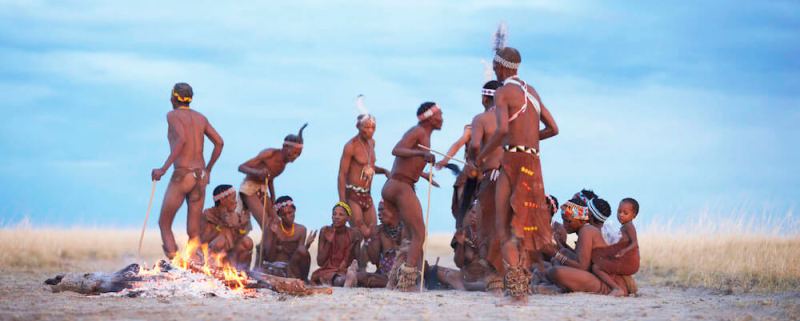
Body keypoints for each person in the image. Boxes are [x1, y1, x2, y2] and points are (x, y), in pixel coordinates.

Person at [475, 32, 558, 302]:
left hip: (512, 161)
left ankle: (517, 287)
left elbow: (500, 131)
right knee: (523, 225)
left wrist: (482, 155)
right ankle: (521, 281)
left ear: (500, 67)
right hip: (534, 162)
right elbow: (553, 129)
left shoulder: (502, 92)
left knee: (504, 225)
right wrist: (530, 140)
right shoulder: (531, 91)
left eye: (495, 67)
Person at [152, 82, 224, 259]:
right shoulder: (201, 118)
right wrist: (208, 169)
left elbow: (182, 140)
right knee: (194, 231)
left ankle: (175, 265)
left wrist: (163, 169)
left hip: (183, 174)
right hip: (200, 176)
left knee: (164, 223)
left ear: (173, 97)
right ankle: (195, 267)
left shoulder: (173, 115)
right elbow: (219, 142)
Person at [380, 102, 443, 291]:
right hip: (400, 187)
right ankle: (407, 281)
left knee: (408, 236)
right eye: (439, 114)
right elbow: (396, 150)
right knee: (419, 234)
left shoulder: (423, 135)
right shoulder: (418, 132)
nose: (442, 118)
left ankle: (393, 280)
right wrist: (422, 153)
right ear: (429, 117)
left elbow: (406, 163)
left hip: (395, 184)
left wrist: (424, 175)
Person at [237, 124, 307, 261]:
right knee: (266, 225)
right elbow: (241, 167)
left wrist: (273, 199)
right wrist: (257, 172)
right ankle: (260, 261)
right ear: (285, 147)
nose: (295, 157)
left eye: (298, 155)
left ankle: (270, 258)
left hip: (262, 190)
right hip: (249, 188)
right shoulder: (269, 153)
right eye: (294, 153)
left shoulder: (283, 165)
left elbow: (270, 179)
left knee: (276, 221)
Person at [547, 198, 630, 295]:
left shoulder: (586, 231)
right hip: (595, 275)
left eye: (568, 221)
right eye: (563, 220)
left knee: (555, 271)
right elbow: (579, 257)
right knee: (561, 255)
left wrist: (556, 254)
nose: (565, 225)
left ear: (581, 221)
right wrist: (560, 245)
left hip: (606, 282)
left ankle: (606, 289)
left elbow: (582, 266)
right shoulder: (585, 230)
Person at [468, 80, 504, 273]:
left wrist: (476, 161)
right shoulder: (511, 119)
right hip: (510, 175)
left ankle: (493, 277)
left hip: (490, 177)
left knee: (487, 226)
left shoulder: (481, 119)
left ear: (484, 98)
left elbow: (474, 145)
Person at [426, 201, 501, 292]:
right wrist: (460, 244)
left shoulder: (490, 234)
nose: (474, 216)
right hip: (467, 277)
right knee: (433, 269)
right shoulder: (462, 232)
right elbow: (459, 263)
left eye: (478, 213)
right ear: (469, 213)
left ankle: (463, 286)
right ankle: (462, 285)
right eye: (473, 212)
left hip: (487, 279)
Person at [338, 113, 388, 239]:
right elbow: (342, 174)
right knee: (361, 233)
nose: (370, 131)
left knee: (374, 234)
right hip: (353, 195)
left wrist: (385, 171)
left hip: (367, 195)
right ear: (358, 127)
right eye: (366, 127)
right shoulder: (351, 146)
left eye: (373, 128)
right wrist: (343, 203)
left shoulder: (372, 143)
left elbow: (369, 166)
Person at [592, 198, 640, 296]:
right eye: (619, 211)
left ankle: (617, 288)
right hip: (626, 260)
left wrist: (624, 251)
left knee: (596, 267)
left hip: (629, 261)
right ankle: (628, 284)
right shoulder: (625, 226)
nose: (621, 215)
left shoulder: (629, 226)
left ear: (634, 215)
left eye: (625, 213)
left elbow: (635, 243)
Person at [199, 185, 253, 270]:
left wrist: (241, 227)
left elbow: (238, 237)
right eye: (233, 198)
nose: (235, 202)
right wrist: (220, 225)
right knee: (221, 241)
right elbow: (203, 240)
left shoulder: (236, 216)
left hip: (231, 256)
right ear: (222, 200)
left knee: (247, 242)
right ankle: (213, 270)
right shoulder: (208, 215)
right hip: (211, 256)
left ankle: (242, 271)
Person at [261, 196, 314, 281]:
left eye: (290, 212)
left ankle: (304, 281)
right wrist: (274, 236)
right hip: (275, 268)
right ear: (279, 215)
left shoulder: (301, 230)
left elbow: (299, 255)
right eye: (284, 214)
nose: (288, 216)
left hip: (291, 268)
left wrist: (307, 245)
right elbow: (269, 258)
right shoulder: (273, 228)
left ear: (294, 210)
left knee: (302, 250)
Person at [311, 202, 363, 286]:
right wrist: (329, 242)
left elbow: (358, 259)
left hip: (346, 269)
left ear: (348, 218)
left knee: (363, 277)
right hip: (328, 270)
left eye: (341, 214)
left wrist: (355, 243)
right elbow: (320, 262)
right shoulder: (325, 230)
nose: (336, 217)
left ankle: (349, 279)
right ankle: (346, 281)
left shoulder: (353, 233)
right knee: (337, 279)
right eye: (334, 214)